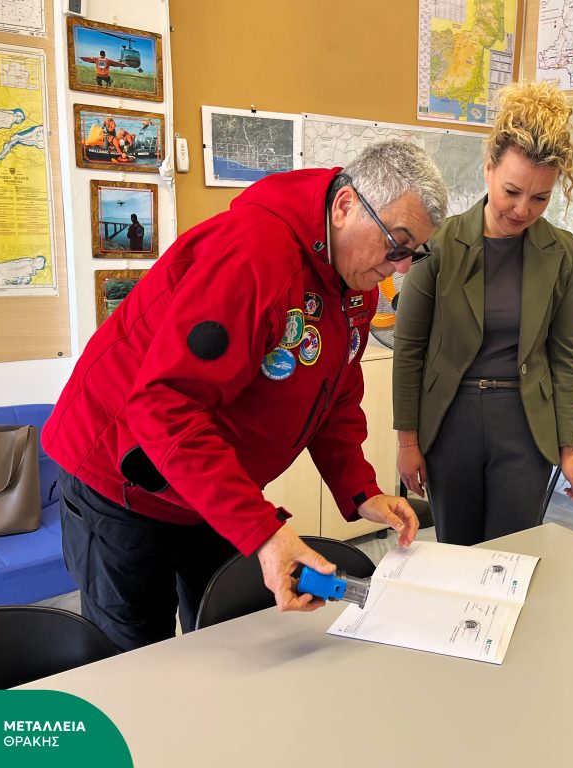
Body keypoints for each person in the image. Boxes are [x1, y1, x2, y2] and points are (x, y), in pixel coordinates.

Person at [43, 140, 448, 651]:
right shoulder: (253, 256)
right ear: (345, 206)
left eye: (413, 252)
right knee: (136, 655)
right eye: (397, 244)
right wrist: (263, 531)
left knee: (227, 637)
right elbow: (166, 407)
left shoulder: (354, 281)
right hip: (121, 475)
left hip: (206, 477)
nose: (402, 267)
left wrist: (361, 490)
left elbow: (335, 395)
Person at [393, 80, 573, 546]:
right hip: (451, 420)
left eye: (541, 198)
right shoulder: (438, 243)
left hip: (525, 425)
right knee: (457, 552)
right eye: (512, 191)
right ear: (488, 170)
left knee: (513, 554)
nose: (523, 210)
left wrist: (567, 449)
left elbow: (564, 358)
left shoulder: (561, 251)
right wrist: (408, 442)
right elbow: (409, 351)